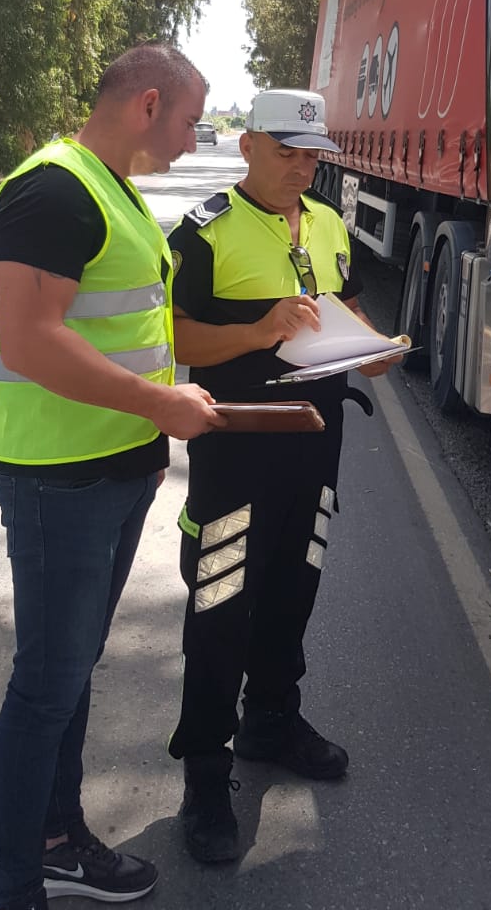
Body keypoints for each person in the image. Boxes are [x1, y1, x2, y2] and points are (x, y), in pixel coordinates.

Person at [0, 43, 221, 910]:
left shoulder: (112, 188)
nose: (194, 139)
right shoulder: (53, 189)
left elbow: (121, 329)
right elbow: (31, 341)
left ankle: (55, 839)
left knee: (70, 675)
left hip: (110, 470)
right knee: (44, 688)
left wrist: (154, 429)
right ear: (148, 102)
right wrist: (160, 405)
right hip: (57, 480)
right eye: (190, 120)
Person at [166, 87, 399, 864]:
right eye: (286, 153)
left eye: (312, 156)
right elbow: (175, 336)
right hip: (237, 453)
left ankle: (270, 718)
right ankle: (206, 771)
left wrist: (375, 347)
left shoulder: (329, 222)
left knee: (296, 585)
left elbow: (348, 308)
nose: (302, 169)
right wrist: (260, 329)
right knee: (221, 602)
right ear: (248, 147)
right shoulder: (205, 232)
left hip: (315, 449)